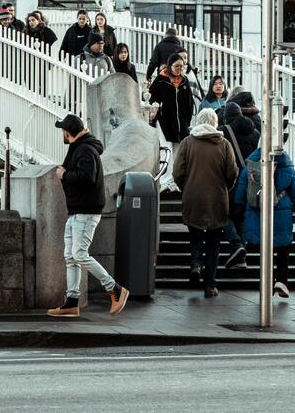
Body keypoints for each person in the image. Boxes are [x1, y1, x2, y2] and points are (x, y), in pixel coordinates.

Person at [47, 114, 129, 318]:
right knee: (71, 257)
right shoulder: (81, 147)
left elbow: (87, 177)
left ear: (68, 132)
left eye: (63, 131)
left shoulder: (84, 149)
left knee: (79, 254)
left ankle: (115, 289)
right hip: (76, 211)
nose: (62, 135)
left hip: (85, 211)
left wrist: (64, 175)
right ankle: (71, 302)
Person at [173, 109, 239, 297]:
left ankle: (195, 264)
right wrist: (225, 188)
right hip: (217, 199)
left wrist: (185, 187)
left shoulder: (187, 143)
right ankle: (210, 285)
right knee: (213, 242)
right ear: (215, 122)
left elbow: (178, 171)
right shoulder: (224, 144)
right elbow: (232, 172)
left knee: (194, 234)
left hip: (192, 196)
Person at [233, 145, 295, 299]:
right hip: (282, 215)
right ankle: (281, 280)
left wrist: (237, 214)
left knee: (264, 251)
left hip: (257, 215)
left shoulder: (250, 167)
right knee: (283, 248)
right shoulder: (287, 169)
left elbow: (240, 195)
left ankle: (267, 282)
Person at [149, 53, 195, 192]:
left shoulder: (185, 81)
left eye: (182, 66)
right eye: (177, 66)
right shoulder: (161, 80)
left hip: (181, 123)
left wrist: (186, 120)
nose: (180, 69)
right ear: (170, 66)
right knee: (166, 148)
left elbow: (189, 103)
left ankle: (175, 180)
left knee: (178, 151)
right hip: (164, 121)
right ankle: (164, 180)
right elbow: (151, 99)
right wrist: (156, 110)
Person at [218, 101, 256, 268]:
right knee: (240, 216)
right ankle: (241, 258)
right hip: (248, 181)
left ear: (226, 117)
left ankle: (237, 245)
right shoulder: (254, 132)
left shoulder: (224, 132)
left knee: (223, 215)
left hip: (232, 180)